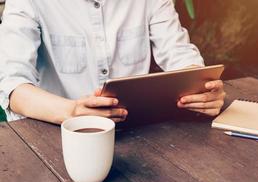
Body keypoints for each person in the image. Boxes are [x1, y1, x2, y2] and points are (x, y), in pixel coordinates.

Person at [0, 0, 225, 125]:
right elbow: (12, 87)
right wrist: (72, 111)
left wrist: (203, 90)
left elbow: (180, 55)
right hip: (53, 135)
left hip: (137, 132)